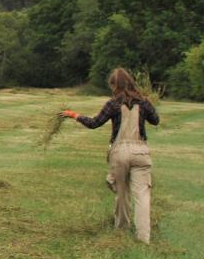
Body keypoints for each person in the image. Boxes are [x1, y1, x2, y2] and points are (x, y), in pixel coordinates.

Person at [61, 68, 161, 243]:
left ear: (115, 85)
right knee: (143, 195)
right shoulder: (144, 102)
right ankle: (143, 237)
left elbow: (94, 123)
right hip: (141, 152)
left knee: (122, 192)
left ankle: (122, 228)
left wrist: (75, 115)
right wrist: (147, 104)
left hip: (119, 151)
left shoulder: (113, 103)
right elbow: (156, 120)